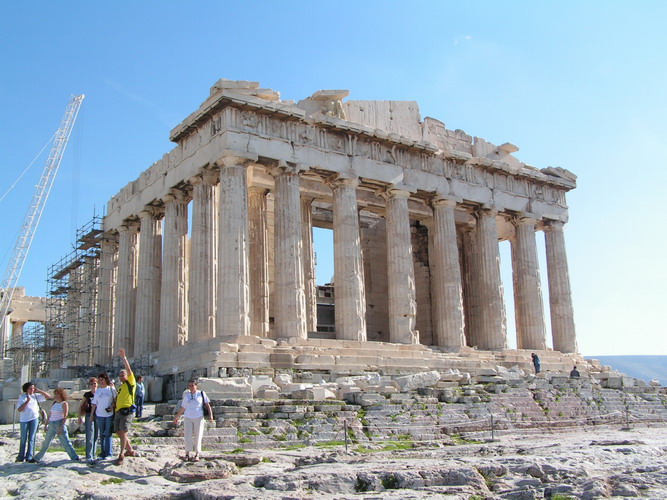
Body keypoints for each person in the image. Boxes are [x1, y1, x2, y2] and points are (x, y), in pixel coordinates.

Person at [33, 388, 79, 462]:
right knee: (46, 442)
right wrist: (46, 424)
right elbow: (50, 414)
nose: (57, 396)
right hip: (52, 424)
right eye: (56, 394)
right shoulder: (54, 403)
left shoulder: (64, 403)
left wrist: (62, 426)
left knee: (66, 442)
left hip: (59, 423)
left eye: (58, 394)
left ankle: (74, 457)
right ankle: (37, 458)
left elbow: (65, 414)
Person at [173, 379, 214, 462]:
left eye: (193, 385)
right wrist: (177, 417)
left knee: (198, 435)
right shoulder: (186, 395)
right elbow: (183, 407)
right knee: (187, 435)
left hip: (198, 417)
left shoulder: (201, 394)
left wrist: (211, 415)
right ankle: (187, 453)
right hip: (188, 417)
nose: (191, 387)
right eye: (189, 386)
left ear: (196, 386)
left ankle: (197, 453)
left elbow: (207, 405)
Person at [114, 348, 140, 465]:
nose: (121, 376)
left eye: (123, 374)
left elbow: (129, 370)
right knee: (119, 431)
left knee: (123, 431)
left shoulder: (131, 382)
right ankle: (130, 449)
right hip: (118, 411)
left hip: (127, 411)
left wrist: (124, 358)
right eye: (120, 375)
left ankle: (121, 454)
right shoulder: (121, 387)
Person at [16, 382, 52, 463]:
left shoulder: (35, 396)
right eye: (30, 388)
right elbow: (19, 409)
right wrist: (27, 401)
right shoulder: (22, 397)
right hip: (24, 420)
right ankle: (21, 456)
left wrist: (39, 391)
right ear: (26, 389)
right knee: (23, 438)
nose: (32, 390)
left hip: (34, 418)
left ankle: (30, 456)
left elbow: (48, 396)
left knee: (32, 438)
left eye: (33, 388)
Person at [90, 372, 116, 460]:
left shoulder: (111, 389)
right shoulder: (98, 391)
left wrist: (111, 406)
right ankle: (102, 453)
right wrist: (91, 415)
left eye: (102, 379)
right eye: (99, 380)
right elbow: (94, 403)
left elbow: (116, 400)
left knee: (108, 433)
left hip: (109, 414)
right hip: (99, 414)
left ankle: (109, 453)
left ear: (106, 380)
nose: (100, 381)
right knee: (101, 434)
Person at [78, 377, 99, 464]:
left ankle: (94, 454)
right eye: (92, 384)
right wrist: (79, 416)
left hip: (98, 415)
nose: (93, 385)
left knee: (96, 434)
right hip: (88, 414)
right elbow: (81, 405)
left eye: (95, 383)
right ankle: (89, 455)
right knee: (89, 434)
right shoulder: (87, 394)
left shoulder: (100, 393)